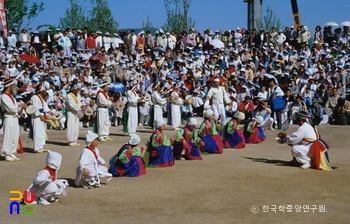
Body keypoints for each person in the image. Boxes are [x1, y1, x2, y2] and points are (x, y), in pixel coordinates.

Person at [1, 79, 26, 162]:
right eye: (13, 86)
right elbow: (10, 108)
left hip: (15, 117)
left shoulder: (11, 96)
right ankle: (6, 154)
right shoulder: (3, 96)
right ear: (9, 86)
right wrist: (19, 105)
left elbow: (15, 108)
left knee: (15, 136)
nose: (14, 88)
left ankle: (12, 152)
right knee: (8, 136)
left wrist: (21, 107)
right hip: (9, 117)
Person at [31, 84, 48, 153]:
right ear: (41, 91)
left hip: (41, 115)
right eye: (44, 90)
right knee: (37, 132)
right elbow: (35, 107)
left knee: (42, 132)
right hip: (36, 116)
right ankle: (37, 148)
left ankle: (41, 146)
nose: (45, 92)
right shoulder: (34, 97)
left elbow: (44, 106)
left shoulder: (40, 97)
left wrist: (49, 111)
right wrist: (39, 114)